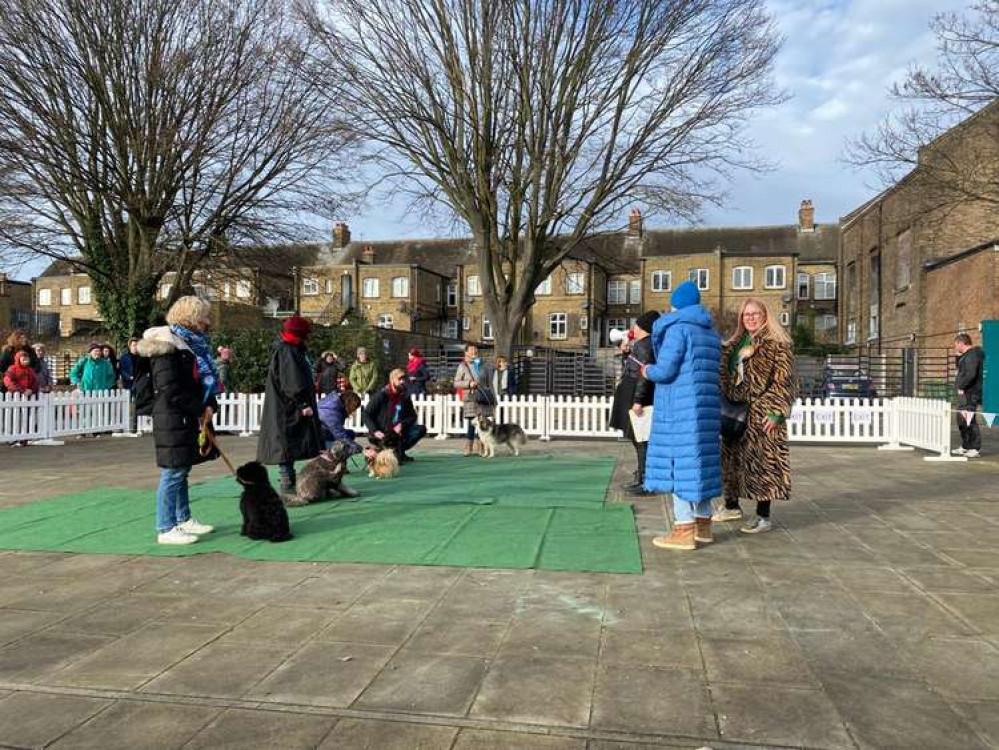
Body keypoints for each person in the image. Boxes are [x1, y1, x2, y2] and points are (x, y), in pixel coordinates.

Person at [640, 281, 722, 551]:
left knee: (678, 465)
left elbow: (665, 371)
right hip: (705, 409)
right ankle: (703, 526)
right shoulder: (710, 333)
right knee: (700, 464)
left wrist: (647, 370)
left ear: (675, 304)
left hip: (679, 409)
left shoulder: (678, 328)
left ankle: (683, 529)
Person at [136, 296, 219, 545]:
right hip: (172, 415)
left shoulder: (188, 345)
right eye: (203, 316)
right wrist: (198, 408)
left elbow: (197, 382)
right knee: (173, 471)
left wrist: (207, 405)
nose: (207, 322)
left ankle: (183, 519)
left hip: (184, 414)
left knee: (182, 469)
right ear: (191, 318)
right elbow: (170, 388)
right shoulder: (167, 347)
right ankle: (165, 526)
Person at [714, 297, 796, 534]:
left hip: (762, 412)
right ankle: (731, 505)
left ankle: (763, 516)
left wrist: (776, 412)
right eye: (745, 314)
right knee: (730, 461)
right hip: (734, 410)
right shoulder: (733, 344)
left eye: (755, 314)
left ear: (765, 315)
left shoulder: (777, 344)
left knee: (763, 463)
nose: (750, 318)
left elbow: (785, 381)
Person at [257, 315, 323, 492]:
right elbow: (292, 382)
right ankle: (287, 486)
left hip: (287, 407)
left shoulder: (290, 349)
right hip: (288, 407)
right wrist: (303, 404)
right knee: (286, 446)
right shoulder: (288, 351)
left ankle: (289, 483)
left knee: (288, 446)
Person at [609, 311, 659, 496]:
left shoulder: (645, 346)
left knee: (640, 438)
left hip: (635, 393)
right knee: (637, 437)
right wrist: (626, 354)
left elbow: (643, 376)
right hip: (631, 391)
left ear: (644, 328)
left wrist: (638, 400)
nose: (634, 328)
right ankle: (642, 473)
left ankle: (645, 480)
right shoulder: (642, 345)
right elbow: (632, 367)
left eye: (637, 325)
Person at [363, 367, 427, 462]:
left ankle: (399, 451)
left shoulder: (405, 396)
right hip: (382, 432)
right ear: (392, 380)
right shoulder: (381, 395)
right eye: (399, 379)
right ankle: (384, 450)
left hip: (397, 432)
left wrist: (402, 424)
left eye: (404, 379)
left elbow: (412, 416)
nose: (402, 381)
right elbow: (366, 414)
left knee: (420, 429)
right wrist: (375, 430)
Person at [454, 343, 495, 457]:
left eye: (475, 350)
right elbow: (456, 383)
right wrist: (468, 383)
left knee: (483, 423)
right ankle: (469, 446)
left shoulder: (485, 365)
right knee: (472, 423)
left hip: (483, 398)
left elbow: (490, 383)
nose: (474, 352)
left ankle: (481, 446)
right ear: (466, 352)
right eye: (471, 350)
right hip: (470, 397)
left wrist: (493, 400)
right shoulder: (462, 366)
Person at [318, 388, 375, 459]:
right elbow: (341, 436)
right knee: (350, 447)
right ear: (350, 405)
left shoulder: (332, 404)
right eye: (354, 408)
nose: (354, 411)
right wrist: (362, 450)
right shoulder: (331, 414)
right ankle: (335, 462)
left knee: (351, 434)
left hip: (322, 434)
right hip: (319, 441)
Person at [953, 333, 984, 458]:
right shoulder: (966, 356)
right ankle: (966, 446)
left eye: (956, 345)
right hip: (964, 393)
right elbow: (961, 371)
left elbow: (970, 374)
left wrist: (961, 386)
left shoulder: (972, 356)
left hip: (970, 393)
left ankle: (975, 447)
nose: (955, 347)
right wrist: (958, 357)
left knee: (969, 420)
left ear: (961, 343)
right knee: (962, 420)